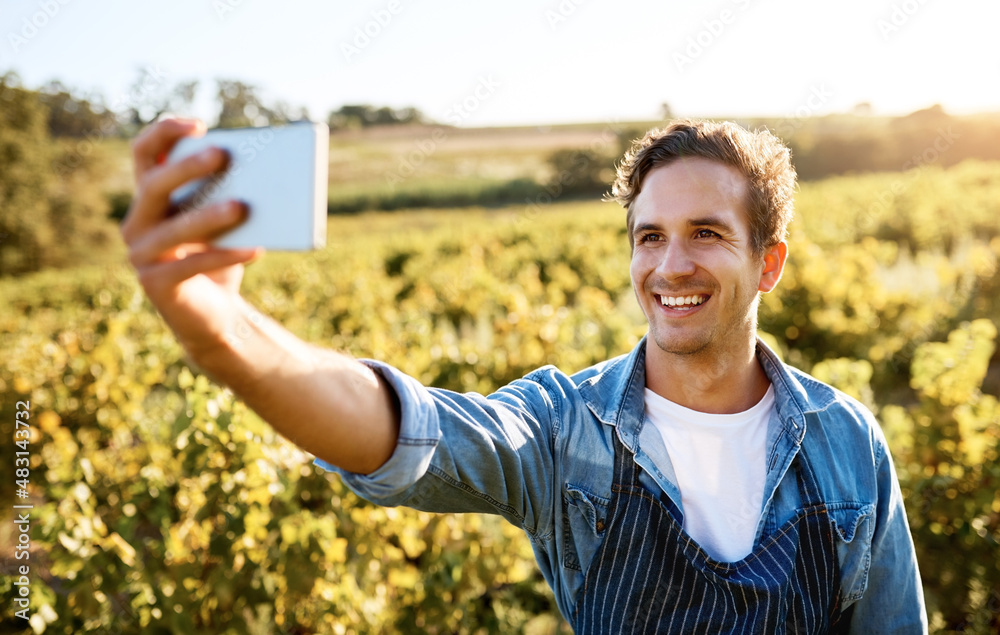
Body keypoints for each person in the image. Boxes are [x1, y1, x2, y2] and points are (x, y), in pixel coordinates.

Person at [122, 117, 928, 633]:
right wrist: (224, 334)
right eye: (649, 237)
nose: (669, 264)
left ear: (769, 262)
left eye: (706, 233)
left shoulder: (845, 442)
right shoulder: (564, 426)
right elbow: (409, 434)